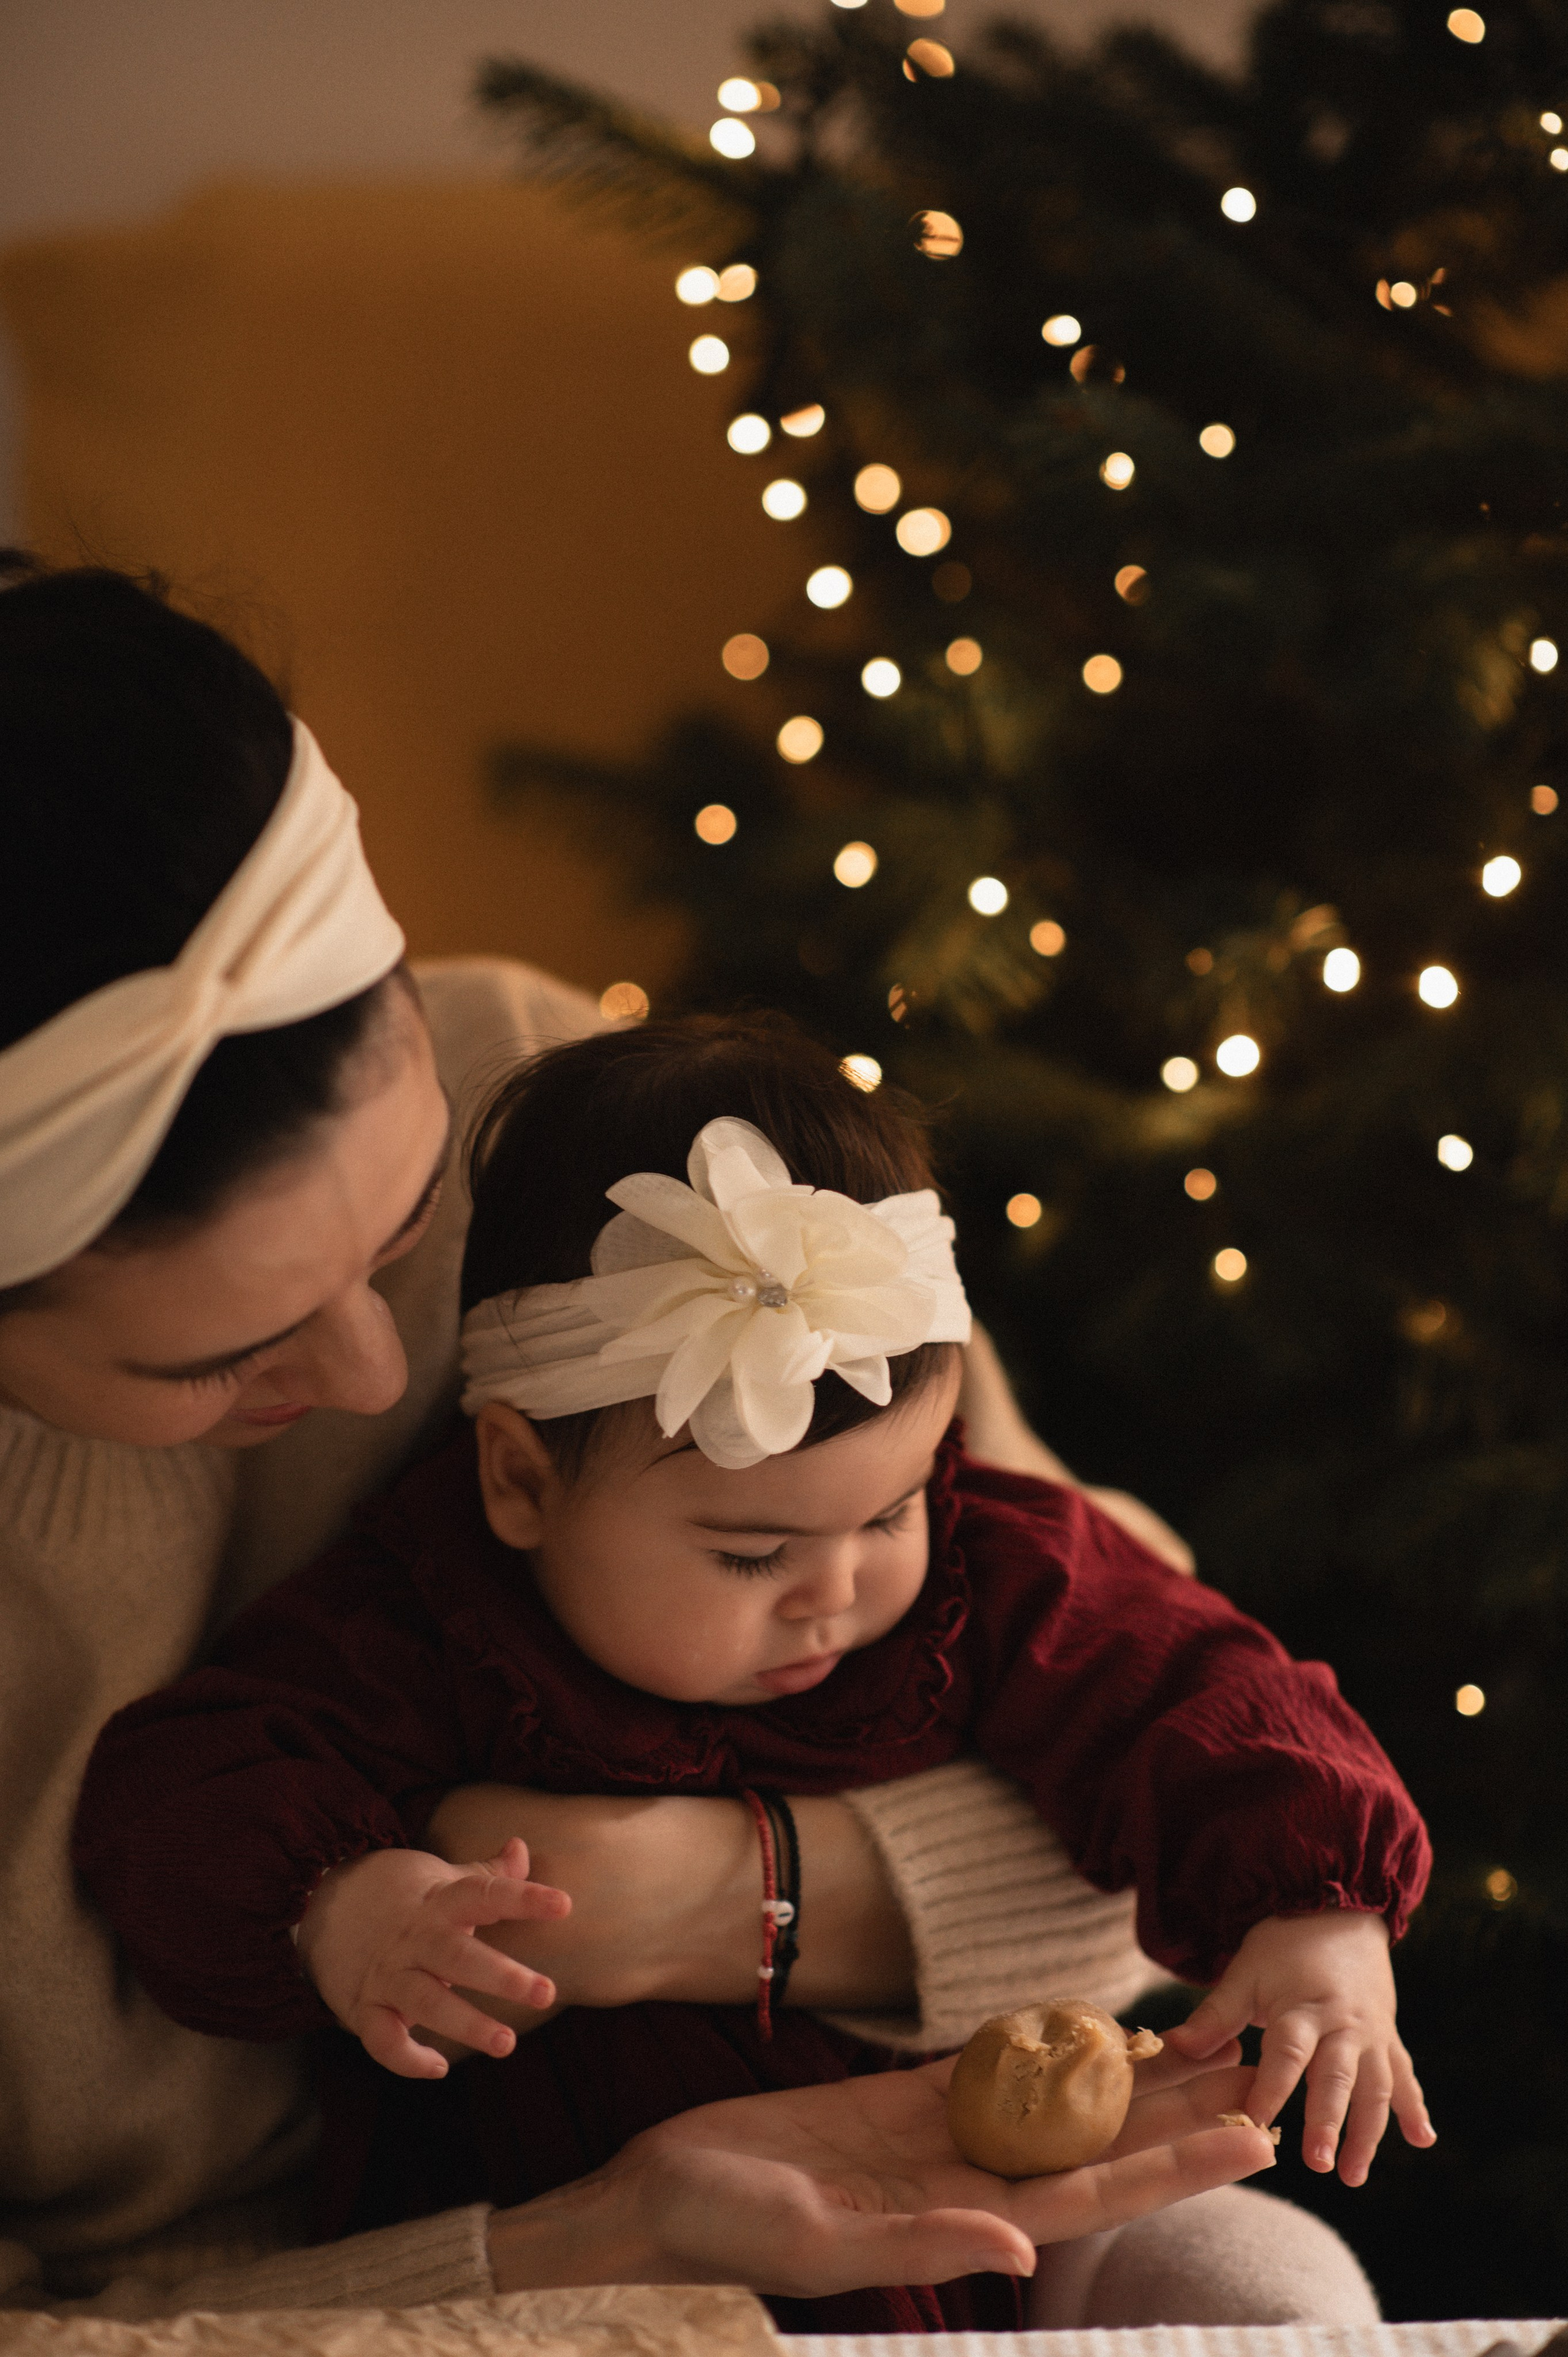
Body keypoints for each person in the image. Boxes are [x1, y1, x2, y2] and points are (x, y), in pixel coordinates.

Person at [0, 556, 1324, 2328]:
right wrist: (590, 2244)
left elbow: (1136, 1760)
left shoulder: (618, 1158)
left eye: (404, 1229)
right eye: (219, 1357)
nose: (395, 1379)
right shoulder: (379, 1628)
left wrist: (713, 1900)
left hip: (937, 2171)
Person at [77, 1016, 1434, 2336]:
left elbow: (1195, 1683)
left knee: (1256, 2274)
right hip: (600, 2261)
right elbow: (187, 1781)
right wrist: (340, 1907)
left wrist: (1316, 1916)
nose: (839, 1590)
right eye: (751, 1551)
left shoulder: (981, 1556)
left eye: (889, 1510)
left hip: (1016, 2202)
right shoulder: (418, 1616)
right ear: (517, 1481)